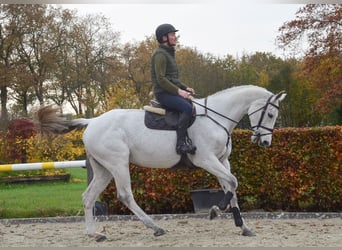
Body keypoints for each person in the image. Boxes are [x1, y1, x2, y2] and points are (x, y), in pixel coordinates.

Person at [150, 23, 196, 155]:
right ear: (164, 38)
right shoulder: (160, 55)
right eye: (172, 35)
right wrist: (179, 92)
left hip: (170, 91)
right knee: (186, 108)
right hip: (163, 93)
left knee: (191, 105)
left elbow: (173, 79)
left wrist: (185, 87)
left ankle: (187, 139)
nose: (175, 37)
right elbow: (161, 79)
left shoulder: (169, 54)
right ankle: (180, 145)